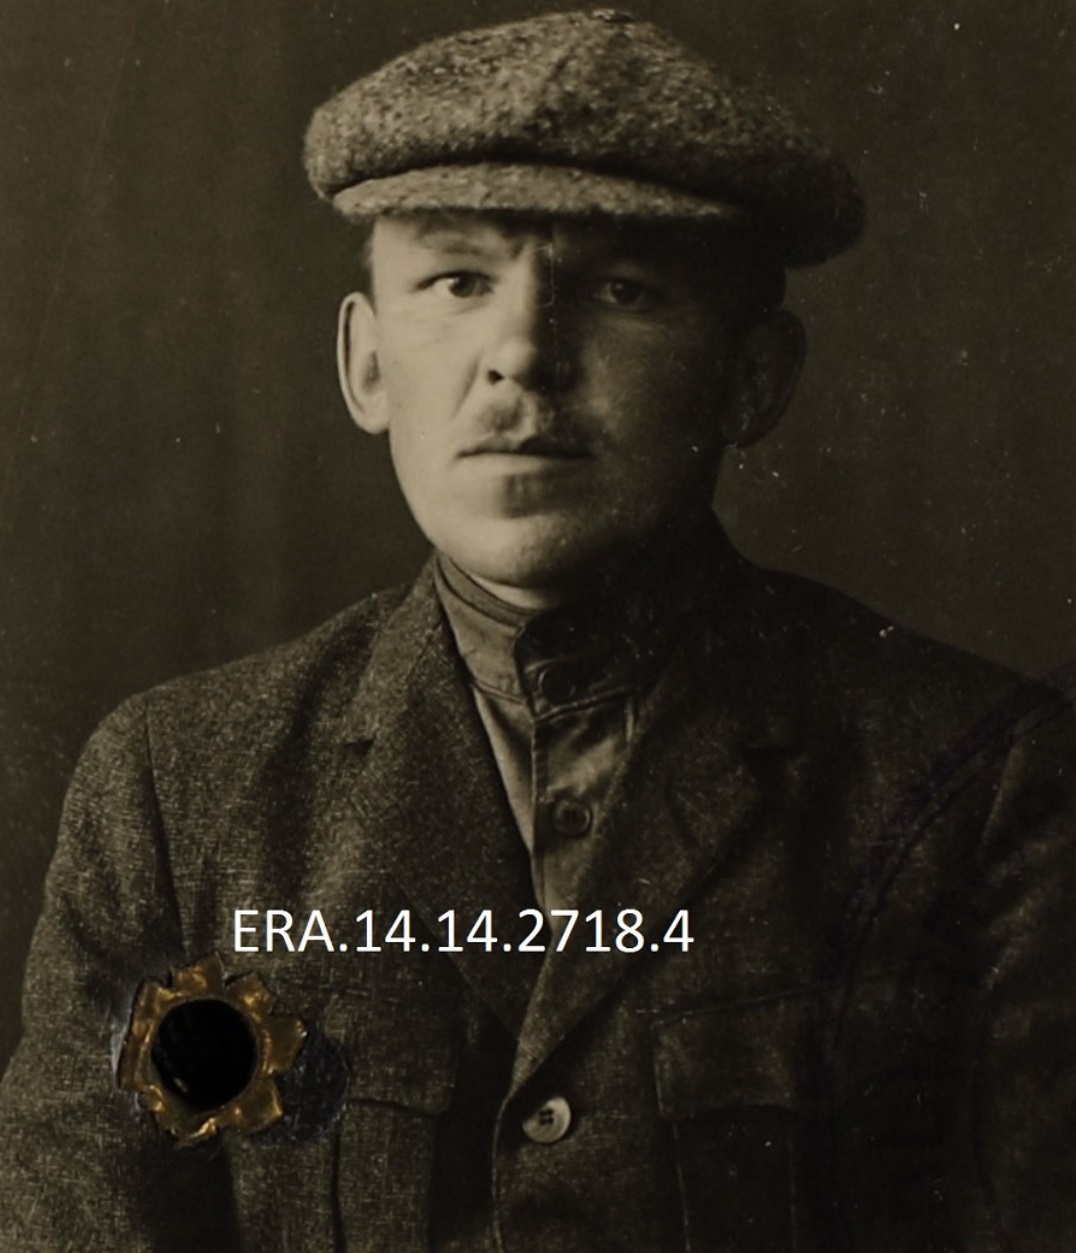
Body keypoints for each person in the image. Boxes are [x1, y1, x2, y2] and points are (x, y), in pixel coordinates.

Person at [1, 9, 1073, 1251]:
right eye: (458, 281)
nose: (520, 352)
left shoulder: (979, 784)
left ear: (752, 378)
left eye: (620, 289)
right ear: (365, 364)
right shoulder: (178, 784)